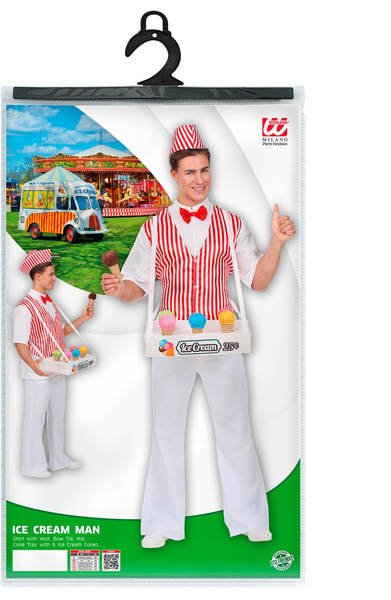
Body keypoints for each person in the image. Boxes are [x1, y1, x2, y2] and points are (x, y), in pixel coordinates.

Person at [101, 124, 295, 548]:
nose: (199, 179)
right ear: (174, 174)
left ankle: (249, 518)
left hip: (222, 338)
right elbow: (137, 287)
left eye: (204, 170)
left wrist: (278, 243)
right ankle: (161, 524)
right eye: (190, 172)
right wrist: (118, 289)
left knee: (235, 429)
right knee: (166, 432)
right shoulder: (154, 228)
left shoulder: (230, 223)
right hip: (169, 341)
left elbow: (258, 281)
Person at [13, 249, 95, 478]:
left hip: (58, 368)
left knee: (57, 416)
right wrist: (33, 365)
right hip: (38, 371)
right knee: (35, 419)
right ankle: (33, 466)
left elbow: (61, 332)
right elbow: (19, 342)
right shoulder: (24, 307)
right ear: (37, 276)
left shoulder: (50, 304)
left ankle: (57, 459)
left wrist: (83, 318)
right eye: (51, 274)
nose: (55, 278)